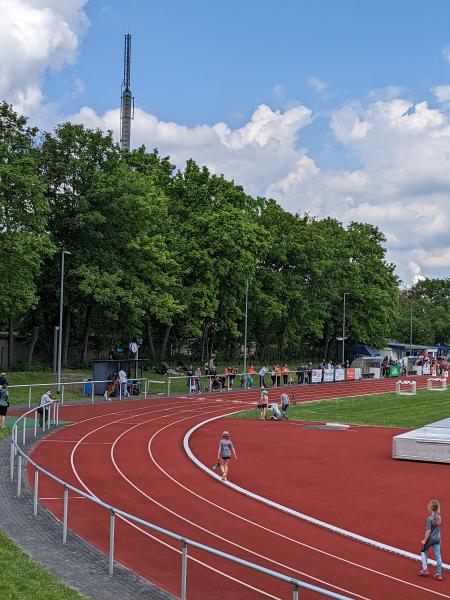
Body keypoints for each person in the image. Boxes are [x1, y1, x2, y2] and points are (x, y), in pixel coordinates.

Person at [419, 499, 443, 580]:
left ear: (430, 508)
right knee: (438, 555)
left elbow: (428, 531)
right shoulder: (439, 517)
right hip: (437, 539)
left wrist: (424, 540)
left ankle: (425, 569)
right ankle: (439, 573)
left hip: (430, 539)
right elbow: (439, 527)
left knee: (423, 551)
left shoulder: (429, 519)